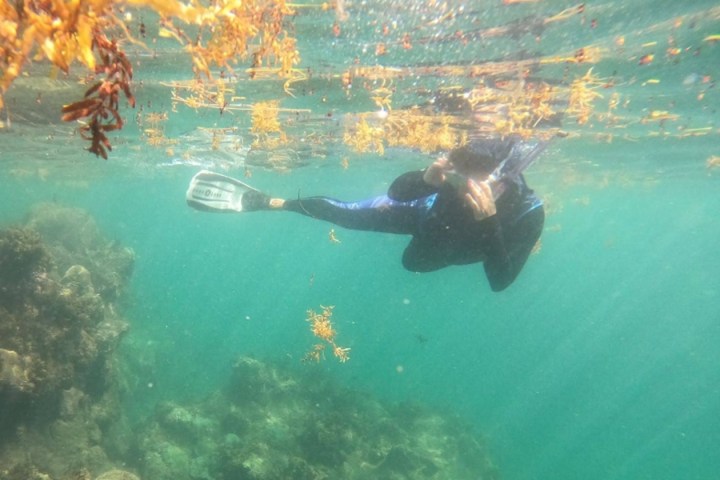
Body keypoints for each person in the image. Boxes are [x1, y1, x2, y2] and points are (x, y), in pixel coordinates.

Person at [187, 138, 545, 291]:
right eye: (460, 180)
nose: (464, 190)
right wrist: (426, 179)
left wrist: (489, 222)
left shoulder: (528, 212)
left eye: (476, 184)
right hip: (425, 216)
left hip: (447, 250)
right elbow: (396, 195)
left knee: (412, 263)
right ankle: (271, 202)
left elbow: (500, 281)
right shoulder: (455, 179)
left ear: (504, 181)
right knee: (342, 213)